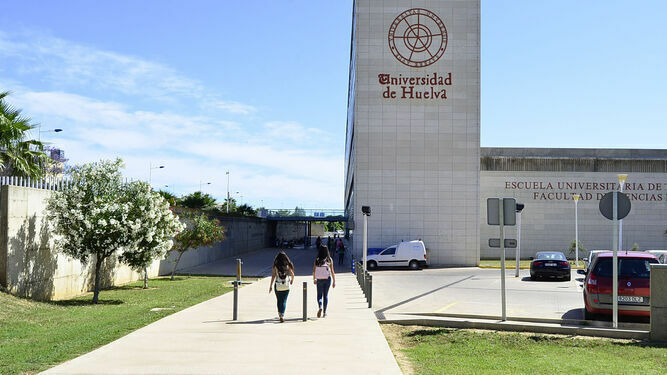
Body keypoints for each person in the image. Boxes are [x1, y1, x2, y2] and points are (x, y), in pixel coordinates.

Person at [269, 251, 295, 322]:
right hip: (286, 285)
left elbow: (273, 276)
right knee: (284, 301)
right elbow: (292, 274)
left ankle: (279, 313)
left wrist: (270, 285)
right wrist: (292, 280)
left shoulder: (276, 266)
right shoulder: (287, 265)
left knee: (279, 300)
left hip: (278, 285)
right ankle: (282, 314)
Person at [313, 245, 336, 318]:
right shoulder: (329, 259)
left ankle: (320, 306)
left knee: (319, 295)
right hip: (327, 278)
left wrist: (314, 279)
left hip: (319, 278)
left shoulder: (317, 260)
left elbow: (314, 271)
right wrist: (334, 281)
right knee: (325, 295)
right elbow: (332, 271)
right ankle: (325, 312)